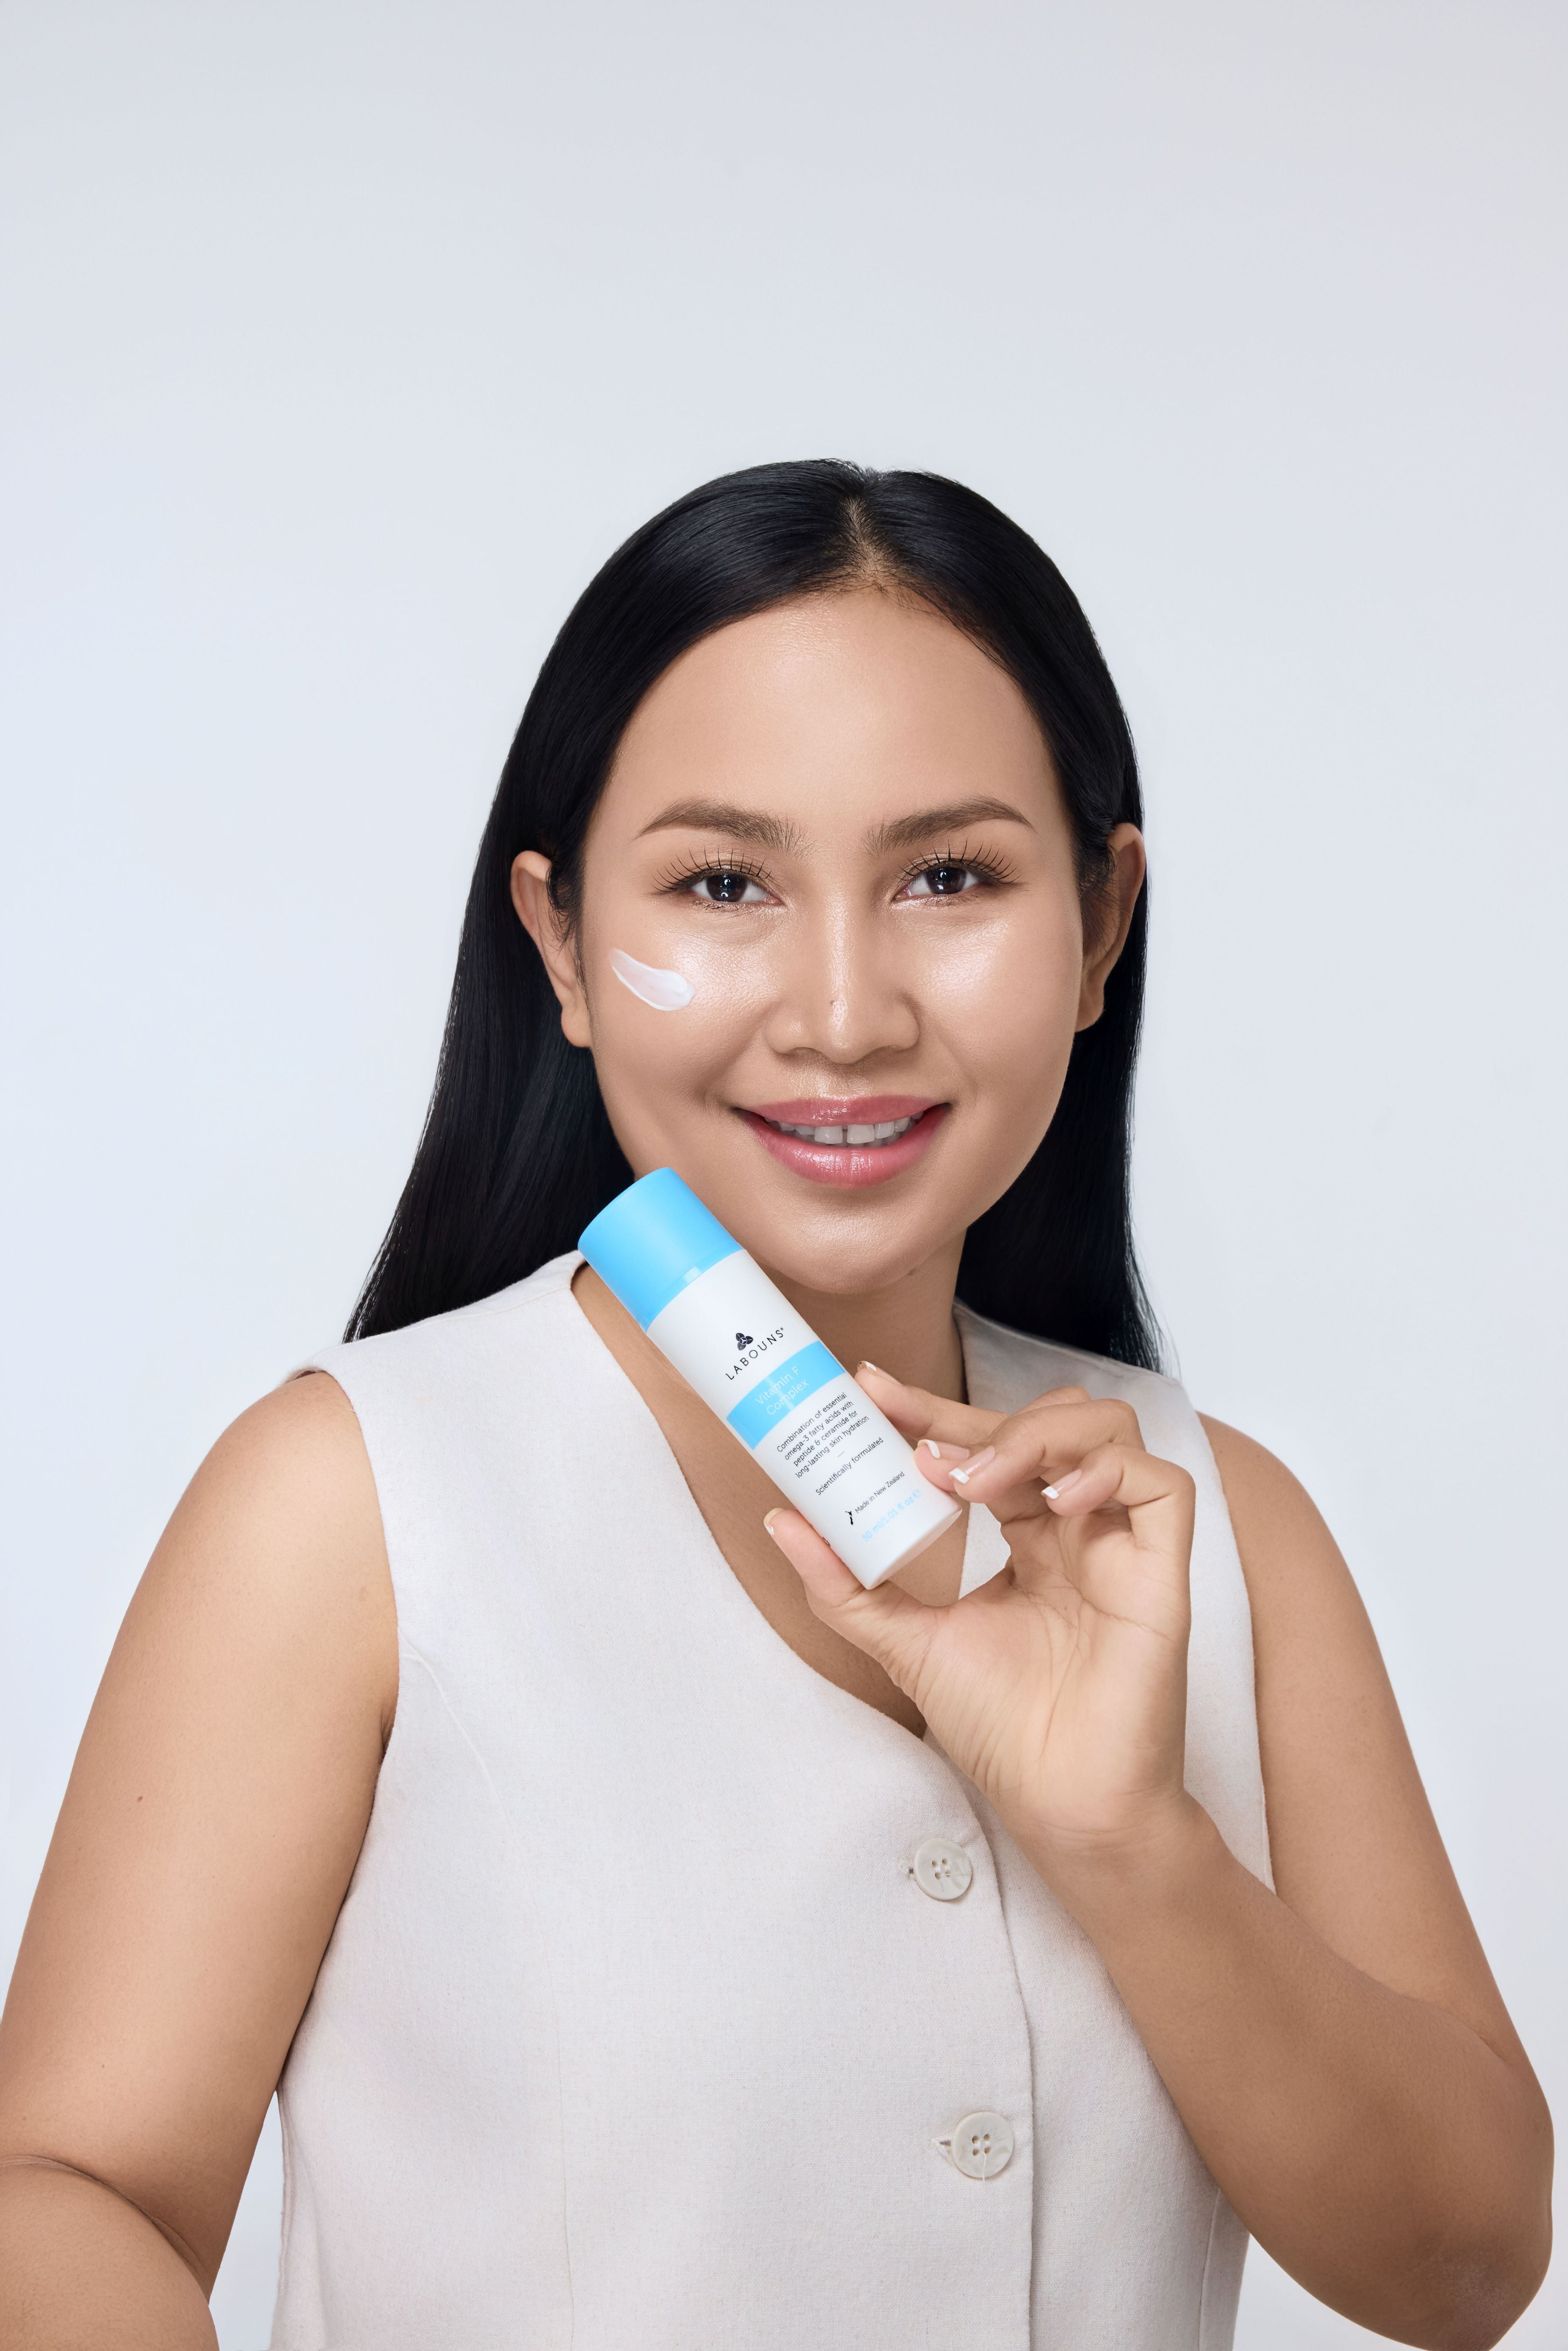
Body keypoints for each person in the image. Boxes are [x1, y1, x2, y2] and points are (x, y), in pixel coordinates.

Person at [0, 462, 1550, 2351]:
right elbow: (67, 2191)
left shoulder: (1222, 1524)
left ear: (1102, 925)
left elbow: (1469, 2265)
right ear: (562, 945)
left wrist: (1133, 1842)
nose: (843, 1009)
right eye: (723, 883)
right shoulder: (351, 1500)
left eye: (952, 878)